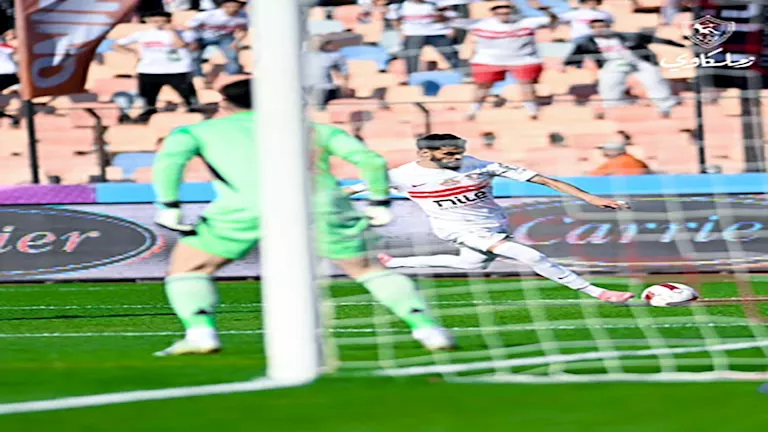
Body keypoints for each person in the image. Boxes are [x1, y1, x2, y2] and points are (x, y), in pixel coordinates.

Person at [151, 79, 455, 356]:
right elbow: (371, 160)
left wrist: (169, 205)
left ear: (224, 103)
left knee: (189, 268)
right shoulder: (315, 129)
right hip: (320, 203)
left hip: (244, 207)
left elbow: (169, 163)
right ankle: (427, 328)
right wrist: (379, 201)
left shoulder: (196, 132)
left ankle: (200, 333)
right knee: (366, 269)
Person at [348, 134, 635, 304]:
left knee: (472, 263)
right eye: (449, 154)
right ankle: (597, 292)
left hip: (492, 224)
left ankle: (392, 263)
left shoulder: (480, 166)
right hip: (455, 229)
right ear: (425, 153)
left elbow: (544, 180)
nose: (457, 158)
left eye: (459, 152)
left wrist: (589, 198)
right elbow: (353, 189)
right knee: (530, 256)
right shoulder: (401, 176)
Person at [562, 19, 684, 118]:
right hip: (613, 63)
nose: (599, 29)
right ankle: (615, 106)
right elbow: (575, 56)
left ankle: (666, 104)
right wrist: (567, 65)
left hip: (639, 61)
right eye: (595, 27)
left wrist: (682, 45)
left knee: (654, 79)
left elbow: (658, 40)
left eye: (602, 26)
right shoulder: (587, 43)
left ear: (609, 27)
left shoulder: (630, 37)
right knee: (608, 83)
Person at [463, 2, 556, 120]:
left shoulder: (527, 22)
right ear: (493, 13)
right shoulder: (481, 24)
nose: (504, 14)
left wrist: (546, 10)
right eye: (500, 12)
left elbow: (552, 20)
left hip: (523, 59)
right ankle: (473, 111)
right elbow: (450, 22)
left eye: (507, 11)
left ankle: (532, 111)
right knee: (483, 86)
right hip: (489, 60)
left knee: (526, 85)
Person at [115, 10, 199, 123]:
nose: (159, 24)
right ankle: (146, 118)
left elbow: (180, 45)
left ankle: (195, 116)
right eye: (156, 21)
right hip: (149, 70)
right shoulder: (143, 34)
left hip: (177, 70)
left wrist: (172, 31)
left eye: (163, 21)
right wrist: (134, 53)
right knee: (148, 100)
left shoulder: (184, 33)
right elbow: (118, 44)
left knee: (189, 97)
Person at [386, 0, 464, 76]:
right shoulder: (400, 6)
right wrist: (402, 32)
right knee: (412, 59)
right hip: (413, 34)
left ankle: (456, 76)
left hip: (438, 33)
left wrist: (440, 14)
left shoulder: (438, 3)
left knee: (448, 57)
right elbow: (395, 20)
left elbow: (451, 18)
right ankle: (413, 78)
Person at [186, 0, 248, 81]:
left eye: (235, 7)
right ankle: (197, 77)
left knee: (232, 55)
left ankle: (232, 78)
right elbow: (189, 27)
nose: (232, 9)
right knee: (195, 56)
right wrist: (193, 41)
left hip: (224, 37)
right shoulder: (208, 15)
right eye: (229, 6)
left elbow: (243, 30)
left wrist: (236, 42)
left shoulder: (243, 16)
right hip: (202, 37)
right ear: (222, 6)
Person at [304, 36, 350, 111]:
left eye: (319, 42)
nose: (316, 44)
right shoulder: (302, 56)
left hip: (324, 90)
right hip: (305, 89)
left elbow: (344, 73)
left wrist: (345, 86)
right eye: (314, 41)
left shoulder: (334, 56)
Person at [0, 29, 19, 126]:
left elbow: (13, 48)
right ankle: (11, 118)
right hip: (10, 75)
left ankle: (11, 118)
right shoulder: (4, 46)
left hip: (7, 75)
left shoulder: (3, 46)